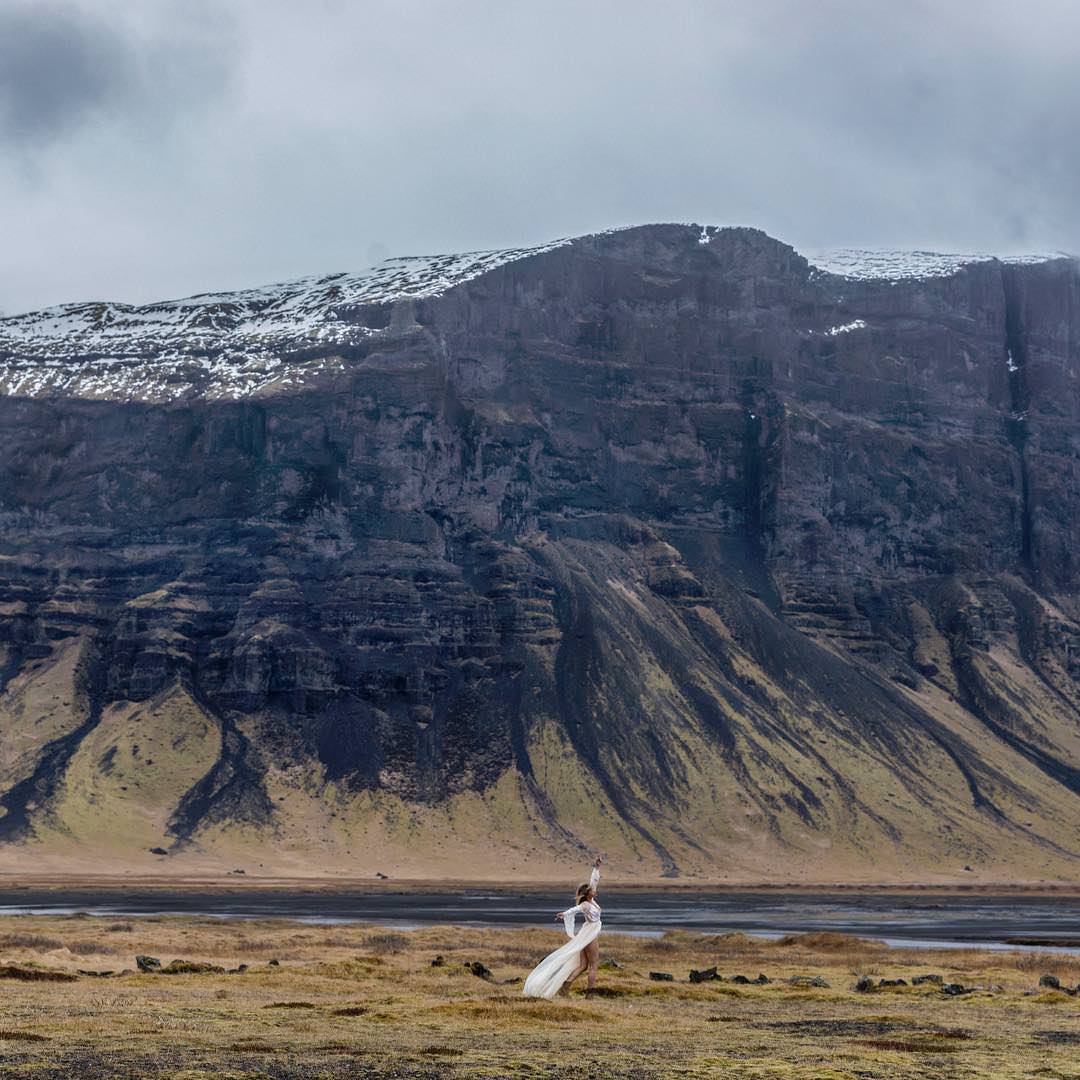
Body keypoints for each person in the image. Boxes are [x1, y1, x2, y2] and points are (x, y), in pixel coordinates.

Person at [522, 855, 603, 999]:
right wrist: (564, 914)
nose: (595, 890)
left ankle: (566, 986)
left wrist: (596, 867)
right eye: (592, 890)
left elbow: (594, 881)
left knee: (583, 965)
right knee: (593, 966)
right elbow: (575, 909)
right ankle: (590, 996)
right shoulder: (585, 904)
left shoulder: (591, 899)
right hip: (590, 935)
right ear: (588, 893)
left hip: (586, 933)